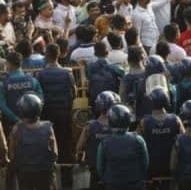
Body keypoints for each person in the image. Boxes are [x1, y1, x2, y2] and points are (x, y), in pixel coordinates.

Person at [36, 42, 76, 183]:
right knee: (66, 147)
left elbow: (39, 95)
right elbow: (74, 92)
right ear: (59, 55)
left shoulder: (40, 74)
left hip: (47, 115)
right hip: (64, 114)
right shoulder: (68, 72)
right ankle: (67, 181)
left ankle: (49, 180)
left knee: (49, 147)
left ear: (47, 55)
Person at [8, 93, 56, 190]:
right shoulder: (48, 127)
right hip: (44, 171)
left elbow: (12, 155)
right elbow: (55, 153)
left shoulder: (16, 129)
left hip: (24, 172)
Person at [138, 87, 183, 188]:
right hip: (170, 166)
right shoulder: (175, 119)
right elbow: (183, 140)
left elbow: (138, 143)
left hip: (151, 166)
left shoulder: (144, 122)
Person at [96, 104, 149, 190]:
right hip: (135, 184)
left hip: (112, 185)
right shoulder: (139, 140)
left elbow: (100, 168)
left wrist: (108, 180)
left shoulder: (104, 143)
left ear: (110, 121)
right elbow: (145, 164)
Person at [75, 91, 119, 189]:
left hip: (94, 169)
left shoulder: (89, 126)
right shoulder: (117, 126)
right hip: (114, 169)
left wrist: (80, 160)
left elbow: (79, 148)